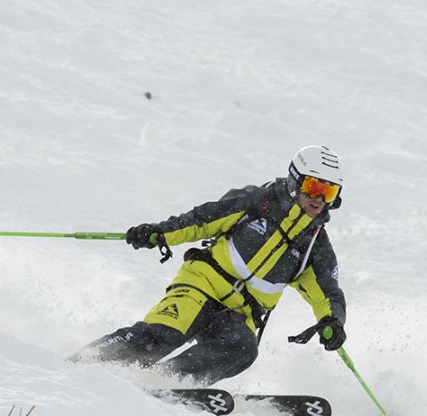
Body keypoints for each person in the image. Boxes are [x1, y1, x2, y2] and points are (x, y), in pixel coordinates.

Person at [72, 145, 347, 386]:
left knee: (243, 348)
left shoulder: (315, 247)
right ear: (295, 181)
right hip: (201, 286)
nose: (319, 199)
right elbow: (200, 221)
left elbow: (327, 294)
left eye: (329, 192)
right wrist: (159, 233)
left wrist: (332, 322)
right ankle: (86, 361)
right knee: (165, 333)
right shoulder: (257, 203)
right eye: (314, 187)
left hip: (239, 313)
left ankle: (167, 380)